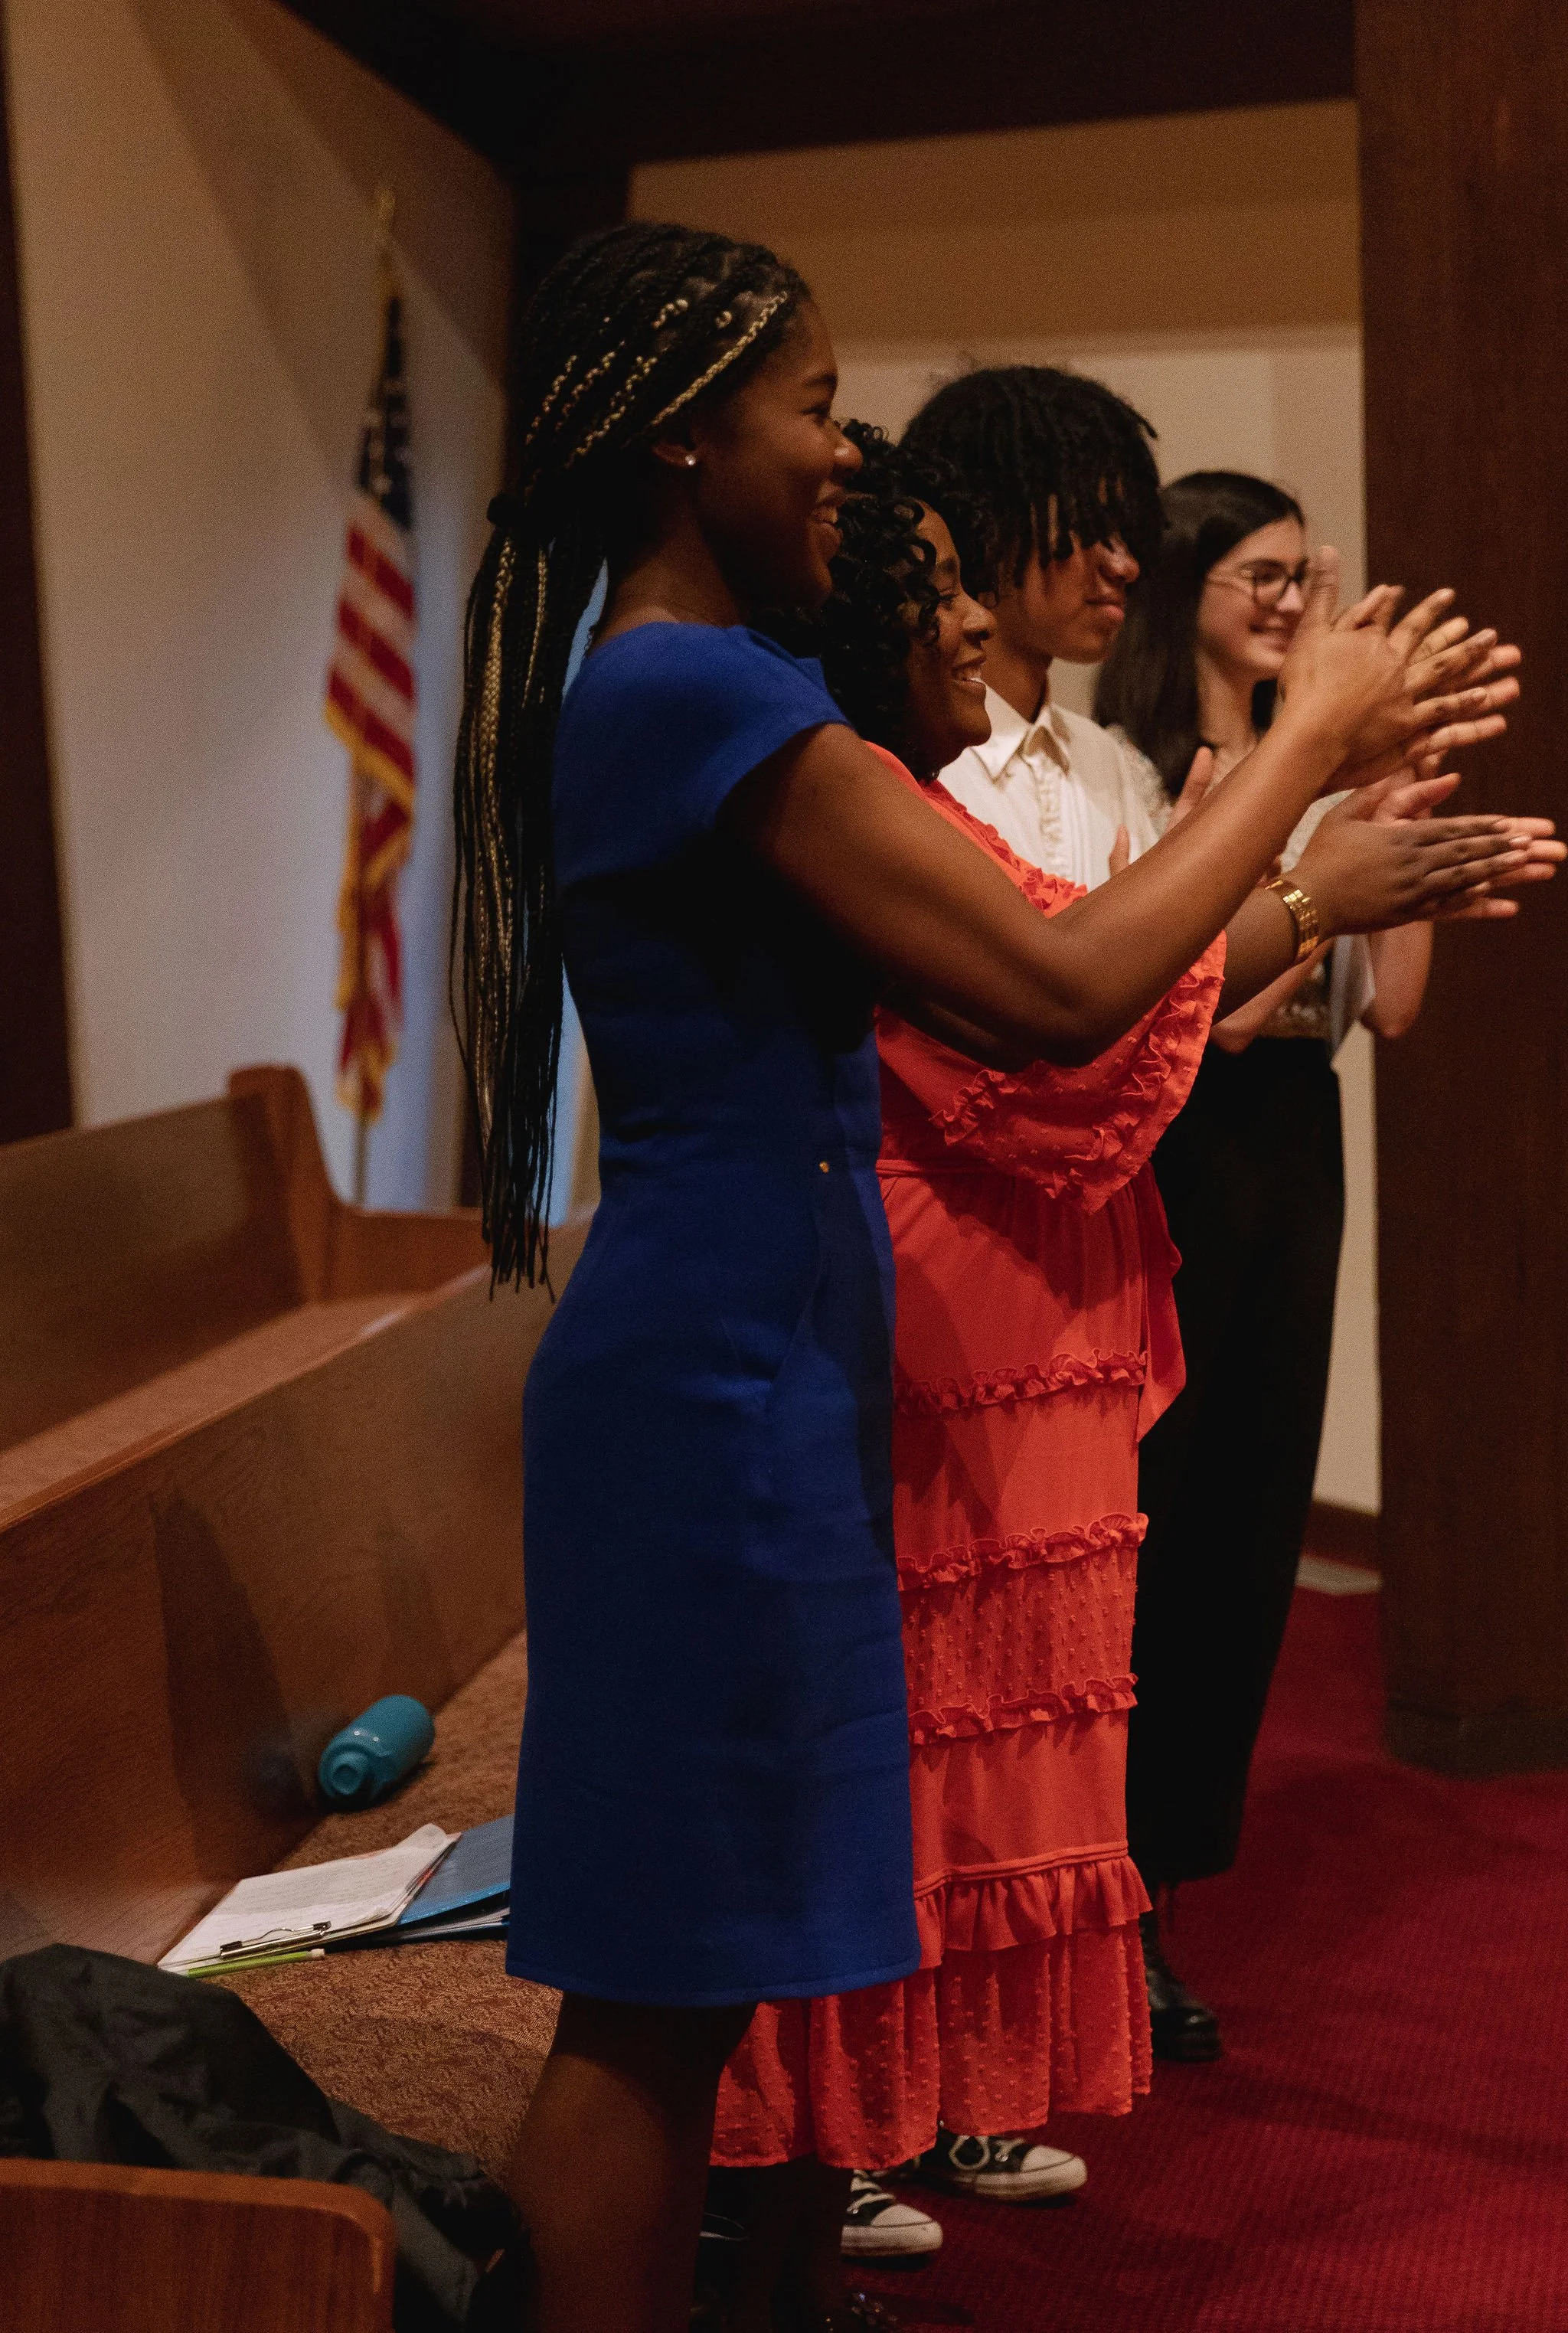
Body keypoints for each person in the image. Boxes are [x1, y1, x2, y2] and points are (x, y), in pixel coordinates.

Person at [452, 223, 1527, 2333]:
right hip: (714, 1383)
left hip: (770, 1357)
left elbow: (1072, 973)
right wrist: (1303, 752)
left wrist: (1296, 808)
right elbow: (1060, 985)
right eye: (813, 408)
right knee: (655, 2006)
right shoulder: (686, 689)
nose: (850, 457)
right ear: (685, 440)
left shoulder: (707, 684)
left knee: (723, 1972)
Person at [698, 430, 1541, 2328]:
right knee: (897, 1772)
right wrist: (1308, 812)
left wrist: (1335, 873)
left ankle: (889, 2137)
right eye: (921, 590)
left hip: (1017, 1319)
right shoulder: (860, 802)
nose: (962, 624)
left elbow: (1123, 982)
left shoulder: (944, 800)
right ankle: (805, 2174)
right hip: (923, 1327)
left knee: (988, 1765)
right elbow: (1075, 1016)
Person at [1093, 472, 1557, 2060]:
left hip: (1296, 1150)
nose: (1290, 597)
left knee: (1243, 1531)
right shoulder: (1135, 771)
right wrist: (1313, 838)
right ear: (1179, 585)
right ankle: (1100, 1906)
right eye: (1259, 572)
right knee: (1152, 1526)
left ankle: (1162, 1881)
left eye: (1305, 574)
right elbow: (1187, 1014)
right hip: (1179, 1150)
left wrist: (1395, 829)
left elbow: (1392, 1003)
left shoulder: (1319, 768)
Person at [901, 364, 1174, 890]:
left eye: (1126, 531)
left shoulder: (1101, 757)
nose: (1124, 565)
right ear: (991, 522)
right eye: (1089, 526)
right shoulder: (918, 755)